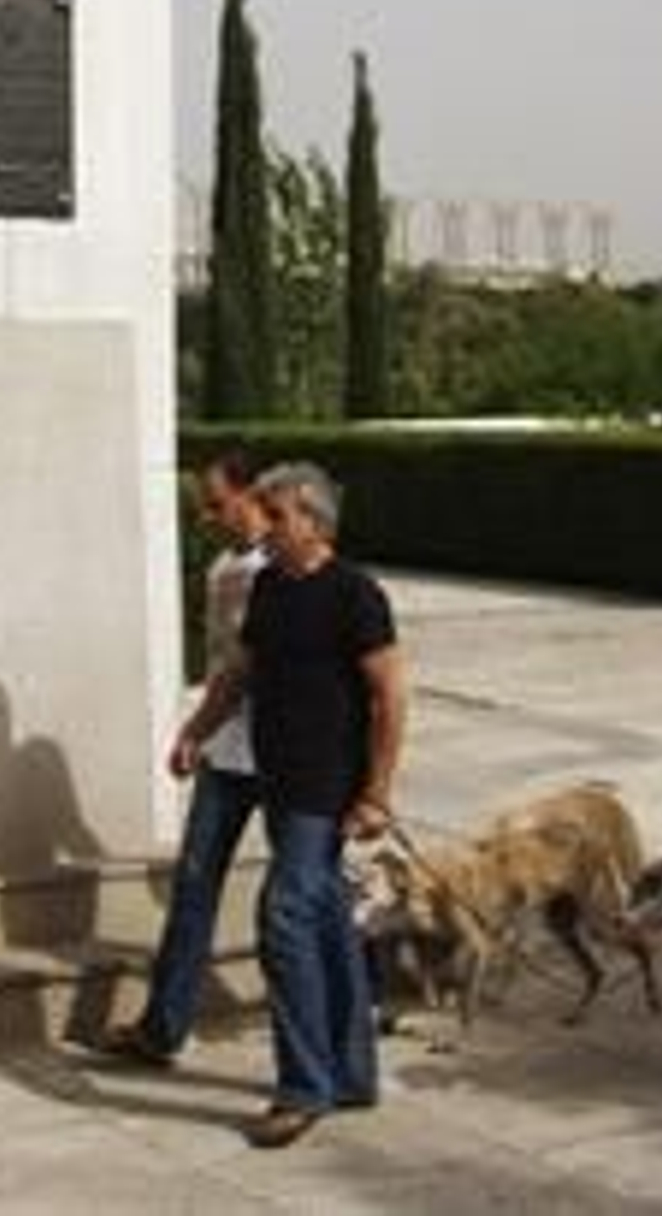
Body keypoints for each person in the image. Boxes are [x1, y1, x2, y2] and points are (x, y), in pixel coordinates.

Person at [171, 460, 407, 1151]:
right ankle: (352, 1074)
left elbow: (390, 697)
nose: (263, 527)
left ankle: (303, 1086)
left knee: (284, 919)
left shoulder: (355, 594)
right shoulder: (271, 586)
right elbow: (239, 673)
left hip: (324, 789)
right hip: (279, 779)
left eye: (277, 517)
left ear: (313, 520)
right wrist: (196, 731)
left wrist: (377, 793)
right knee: (328, 920)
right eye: (265, 515)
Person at [99, 447, 269, 1064]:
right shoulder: (223, 566)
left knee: (308, 895)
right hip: (226, 754)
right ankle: (161, 1029)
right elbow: (224, 663)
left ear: (251, 494)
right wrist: (201, 732)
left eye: (217, 502)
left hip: (282, 753)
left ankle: (348, 1012)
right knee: (193, 887)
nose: (209, 515)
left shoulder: (288, 566)